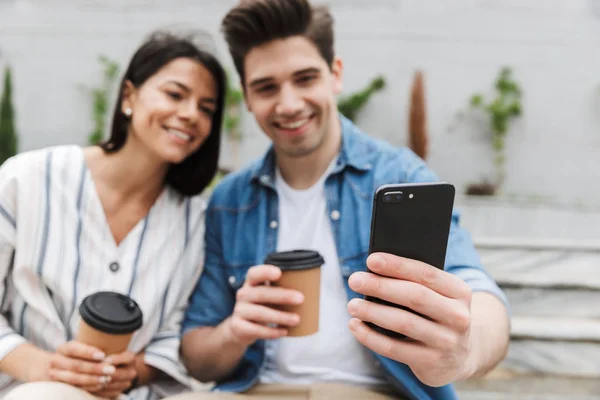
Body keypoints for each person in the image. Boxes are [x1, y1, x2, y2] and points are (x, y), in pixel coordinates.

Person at [178, 1, 510, 399]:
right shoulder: (229, 202)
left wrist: (466, 350)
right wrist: (235, 331)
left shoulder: (400, 177)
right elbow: (196, 358)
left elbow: (481, 295)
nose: (288, 104)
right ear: (247, 98)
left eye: (305, 79)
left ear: (335, 74)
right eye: (266, 87)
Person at [0, 30, 226, 400]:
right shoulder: (26, 179)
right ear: (128, 96)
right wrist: (41, 366)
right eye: (175, 94)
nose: (190, 115)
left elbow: (180, 332)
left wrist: (136, 371)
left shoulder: (196, 221)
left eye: (206, 108)